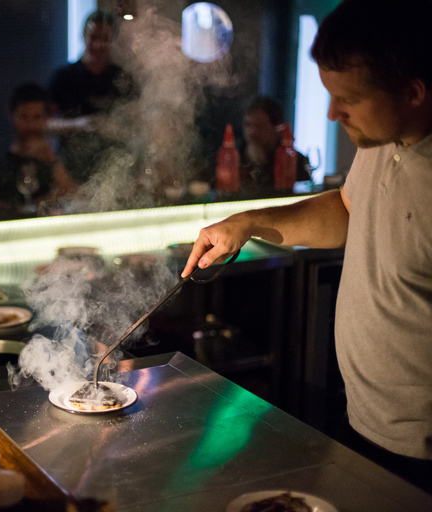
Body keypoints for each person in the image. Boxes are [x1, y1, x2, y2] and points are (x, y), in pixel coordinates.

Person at [181, 0, 432, 493]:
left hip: (418, 454)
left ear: (413, 92)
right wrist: (248, 222)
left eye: (350, 100)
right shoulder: (383, 144)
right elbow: (346, 209)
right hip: (362, 422)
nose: (332, 113)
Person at [48, 10, 136, 183]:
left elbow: (138, 125)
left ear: (113, 40)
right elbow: (45, 124)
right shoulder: (64, 77)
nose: (98, 45)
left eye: (105, 39)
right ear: (83, 36)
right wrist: (78, 124)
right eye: (93, 38)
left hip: (115, 168)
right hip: (71, 171)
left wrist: (113, 129)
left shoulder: (122, 78)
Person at [0, 83, 78, 210]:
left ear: (46, 118)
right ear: (11, 116)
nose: (30, 125)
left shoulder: (56, 161)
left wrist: (53, 162)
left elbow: (78, 197)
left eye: (37, 117)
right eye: (24, 117)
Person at [238, 95, 311, 191]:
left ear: (277, 128)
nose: (252, 132)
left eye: (260, 126)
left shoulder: (294, 159)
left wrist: (261, 165)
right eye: (248, 125)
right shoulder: (234, 157)